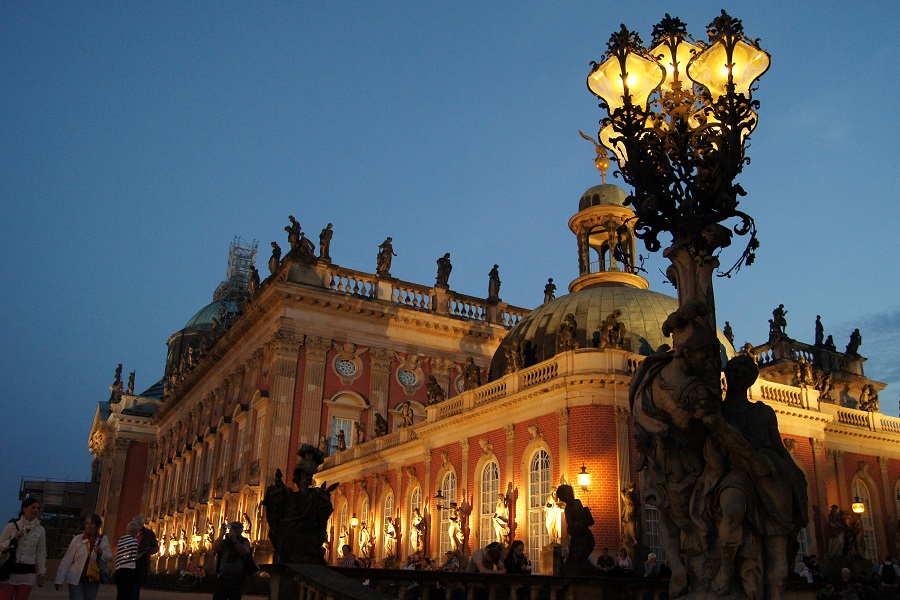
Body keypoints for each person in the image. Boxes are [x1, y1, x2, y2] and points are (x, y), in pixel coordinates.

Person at [55, 514, 112, 600]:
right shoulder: (78, 539)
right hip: (76, 577)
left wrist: (101, 552)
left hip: (93, 577)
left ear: (97, 526)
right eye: (87, 523)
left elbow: (109, 557)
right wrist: (59, 579)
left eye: (92, 523)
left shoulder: (103, 539)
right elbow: (68, 559)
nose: (89, 526)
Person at [0, 498, 47, 600]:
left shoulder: (40, 530)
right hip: (10, 570)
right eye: (33, 507)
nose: (36, 510)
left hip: (28, 571)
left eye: (38, 508)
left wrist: (41, 573)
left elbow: (41, 553)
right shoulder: (12, 526)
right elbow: (0, 545)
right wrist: (14, 539)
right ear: (24, 509)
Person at [211, 521, 251, 600]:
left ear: (240, 531)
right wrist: (221, 534)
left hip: (237, 578)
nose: (233, 531)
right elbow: (215, 548)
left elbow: (244, 552)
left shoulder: (244, 541)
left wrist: (234, 540)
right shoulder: (226, 542)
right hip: (223, 577)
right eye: (232, 529)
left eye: (236, 529)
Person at [132, 514, 157, 599]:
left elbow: (155, 548)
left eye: (138, 524)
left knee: (136, 585)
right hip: (130, 561)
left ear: (142, 524)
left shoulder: (149, 534)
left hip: (142, 562)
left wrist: (145, 552)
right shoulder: (130, 532)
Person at [114, 522, 140, 600]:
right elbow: (135, 556)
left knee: (120, 592)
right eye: (137, 532)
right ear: (134, 531)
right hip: (129, 569)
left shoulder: (121, 541)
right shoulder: (134, 541)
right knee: (129, 592)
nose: (137, 534)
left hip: (119, 569)